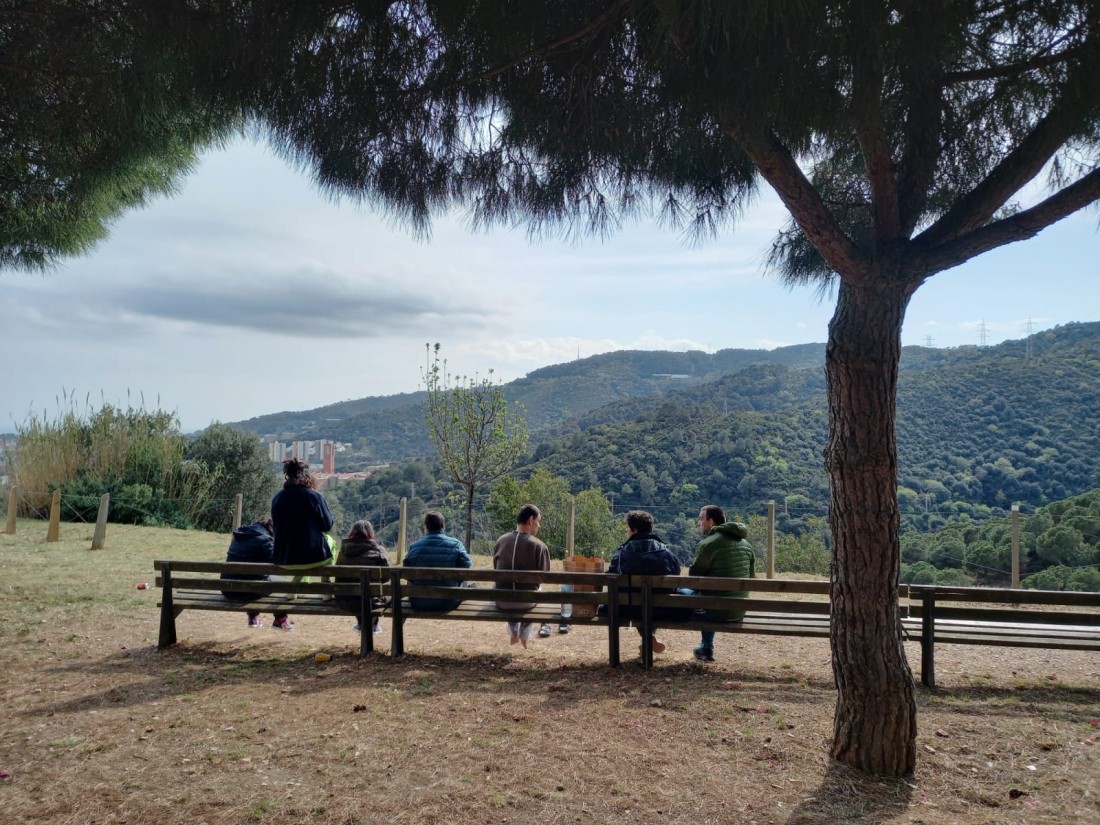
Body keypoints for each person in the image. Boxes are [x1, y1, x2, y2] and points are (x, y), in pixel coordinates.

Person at [270, 457, 336, 629]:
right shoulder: (314, 497)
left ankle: (294, 589)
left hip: (284, 559)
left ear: (287, 475)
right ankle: (326, 589)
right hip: (314, 558)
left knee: (302, 552)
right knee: (330, 542)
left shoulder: (277, 498)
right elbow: (327, 526)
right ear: (307, 475)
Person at [607, 510, 684, 656]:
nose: (627, 531)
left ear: (634, 530)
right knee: (650, 601)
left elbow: (611, 577)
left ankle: (647, 639)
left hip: (627, 609)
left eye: (628, 528)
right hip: (662, 608)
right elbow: (676, 575)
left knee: (639, 601)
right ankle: (648, 638)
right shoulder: (666, 553)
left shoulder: (621, 554)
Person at [689, 504, 755, 662]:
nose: (699, 523)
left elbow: (694, 578)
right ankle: (706, 647)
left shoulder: (708, 544)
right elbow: (751, 577)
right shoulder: (746, 545)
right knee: (709, 596)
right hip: (738, 610)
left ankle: (706, 648)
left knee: (686, 593)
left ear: (710, 522)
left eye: (701, 519)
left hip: (716, 611)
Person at [493, 504, 551, 648]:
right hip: (526, 603)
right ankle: (524, 633)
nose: (539, 525)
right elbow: (544, 577)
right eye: (538, 521)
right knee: (536, 589)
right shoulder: (539, 546)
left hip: (502, 601)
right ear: (530, 520)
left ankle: (514, 632)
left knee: (505, 586)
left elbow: (496, 568)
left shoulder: (500, 541)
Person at [219, 515, 290, 629]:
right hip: (247, 591)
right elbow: (280, 561)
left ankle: (253, 617)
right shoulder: (264, 540)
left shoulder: (239, 535)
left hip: (228, 589)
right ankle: (280, 619)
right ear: (271, 527)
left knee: (255, 579)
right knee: (284, 584)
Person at [404, 511, 473, 611]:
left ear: (426, 526)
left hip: (418, 602)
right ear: (443, 526)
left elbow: (407, 573)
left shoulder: (414, 547)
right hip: (448, 602)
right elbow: (467, 567)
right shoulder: (456, 544)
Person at [335, 519, 391, 634]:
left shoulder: (344, 550)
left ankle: (362, 624)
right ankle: (372, 625)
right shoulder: (378, 550)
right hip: (371, 602)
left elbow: (339, 575)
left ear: (352, 532)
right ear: (370, 533)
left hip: (345, 601)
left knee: (358, 593)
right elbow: (386, 577)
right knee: (380, 594)